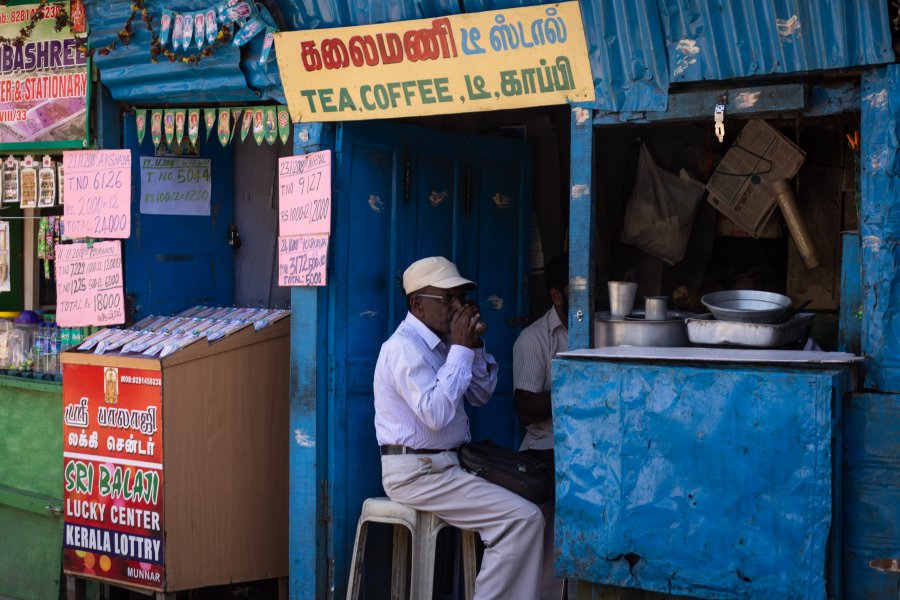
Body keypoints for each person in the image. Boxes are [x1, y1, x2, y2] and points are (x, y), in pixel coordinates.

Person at [374, 256, 545, 600]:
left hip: (448, 467)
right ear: (417, 305)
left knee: (539, 503)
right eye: (447, 299)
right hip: (416, 473)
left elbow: (481, 394)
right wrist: (461, 350)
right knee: (521, 520)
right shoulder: (404, 349)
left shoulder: (446, 344)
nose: (457, 307)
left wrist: (473, 347)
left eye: (461, 298)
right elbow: (435, 414)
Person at [512, 253, 568, 600]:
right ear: (556, 295)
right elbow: (525, 408)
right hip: (545, 451)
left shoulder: (603, 329)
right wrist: (576, 390)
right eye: (578, 288)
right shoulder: (534, 340)